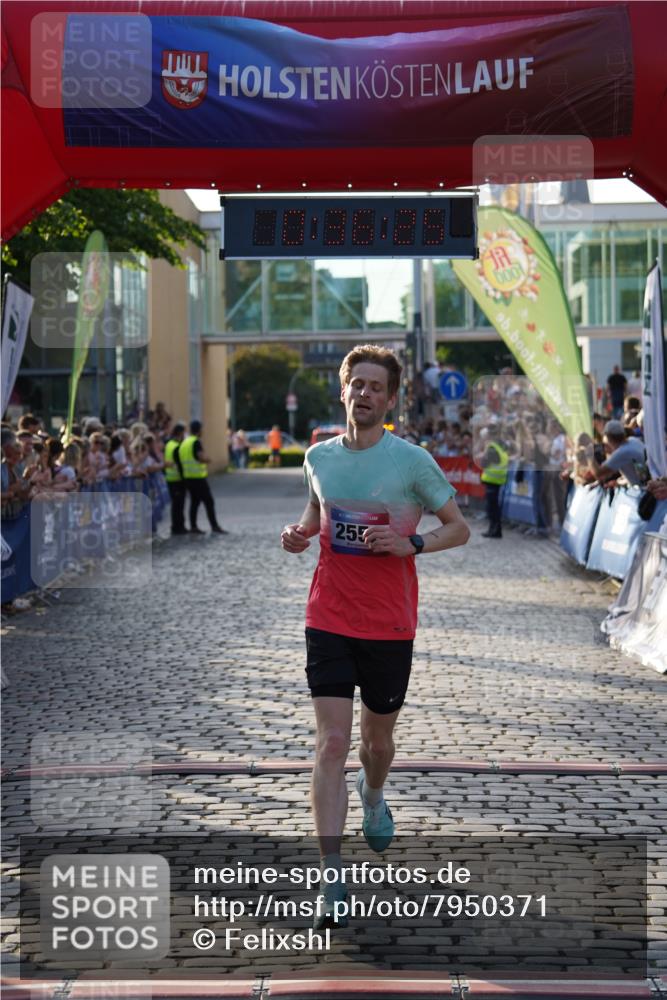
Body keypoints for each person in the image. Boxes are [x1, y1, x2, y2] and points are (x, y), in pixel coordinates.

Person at [280, 344, 470, 930]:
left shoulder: (411, 462)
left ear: (390, 399)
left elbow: (458, 528)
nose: (364, 393)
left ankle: (373, 792)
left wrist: (411, 543)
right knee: (331, 743)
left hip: (389, 622)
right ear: (343, 390)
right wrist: (299, 534)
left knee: (376, 745)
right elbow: (316, 514)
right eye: (356, 384)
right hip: (328, 615)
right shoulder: (318, 457)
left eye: (376, 387)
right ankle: (331, 876)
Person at [180, 419, 227, 535]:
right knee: (209, 501)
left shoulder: (185, 442)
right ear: (199, 430)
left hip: (188, 477)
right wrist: (208, 459)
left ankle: (193, 526)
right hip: (198, 478)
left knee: (195, 502)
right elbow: (200, 457)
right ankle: (214, 526)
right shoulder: (196, 442)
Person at [592, 419, 647, 487]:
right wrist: (619, 482)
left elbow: (599, 474)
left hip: (642, 490)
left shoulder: (621, 453)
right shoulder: (633, 440)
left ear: (608, 437)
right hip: (645, 487)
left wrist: (589, 454)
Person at [478, 420, 509, 538]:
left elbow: (484, 463)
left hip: (492, 479)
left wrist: (483, 455)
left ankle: (494, 530)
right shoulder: (502, 444)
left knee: (492, 507)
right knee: (494, 506)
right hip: (499, 479)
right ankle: (496, 529)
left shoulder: (492, 447)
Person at [164, 422, 187, 535]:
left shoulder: (169, 444)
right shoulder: (177, 447)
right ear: (180, 433)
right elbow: (179, 465)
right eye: (184, 432)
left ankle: (176, 526)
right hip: (177, 480)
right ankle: (179, 527)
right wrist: (185, 479)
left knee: (175, 505)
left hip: (170, 478)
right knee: (179, 505)